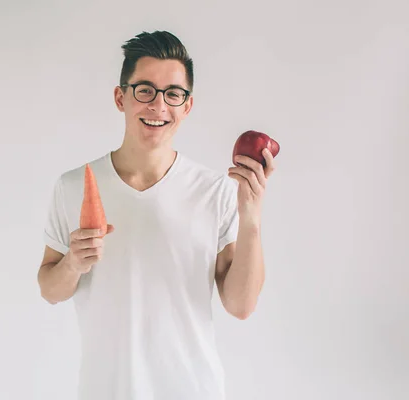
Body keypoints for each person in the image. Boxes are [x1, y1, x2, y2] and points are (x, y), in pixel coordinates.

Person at [37, 30, 276, 400]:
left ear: (187, 105)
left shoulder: (214, 191)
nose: (158, 106)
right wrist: (72, 263)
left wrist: (252, 218)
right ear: (121, 97)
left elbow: (241, 305)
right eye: (144, 90)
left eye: (173, 94)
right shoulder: (73, 186)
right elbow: (49, 289)